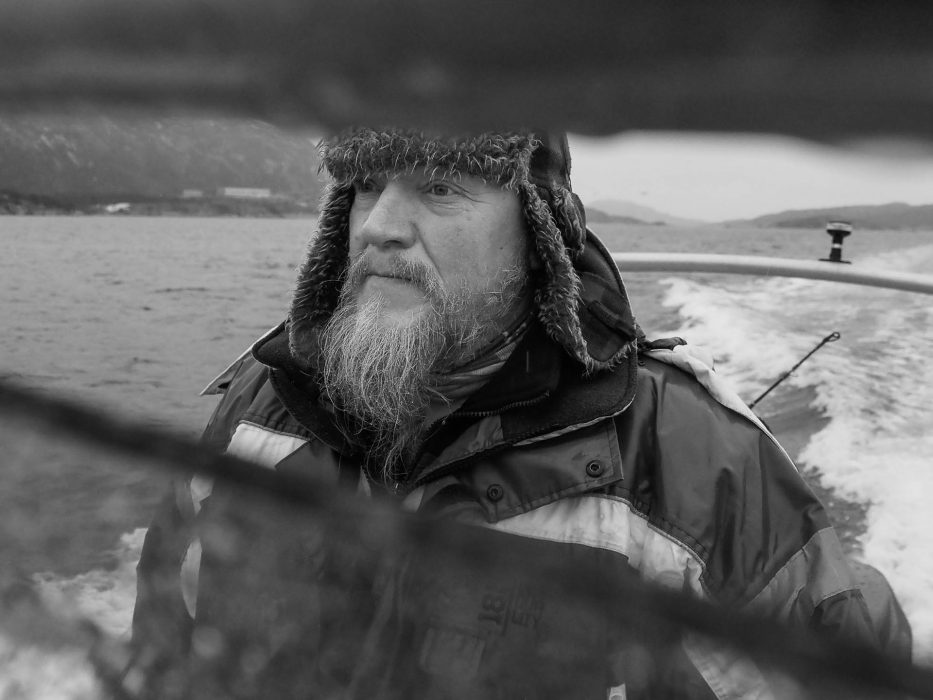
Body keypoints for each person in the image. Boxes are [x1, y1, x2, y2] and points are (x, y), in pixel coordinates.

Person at [131, 127, 910, 699]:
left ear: (538, 229)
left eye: (439, 187)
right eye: (366, 185)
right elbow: (166, 647)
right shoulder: (257, 413)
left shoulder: (689, 462)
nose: (378, 226)